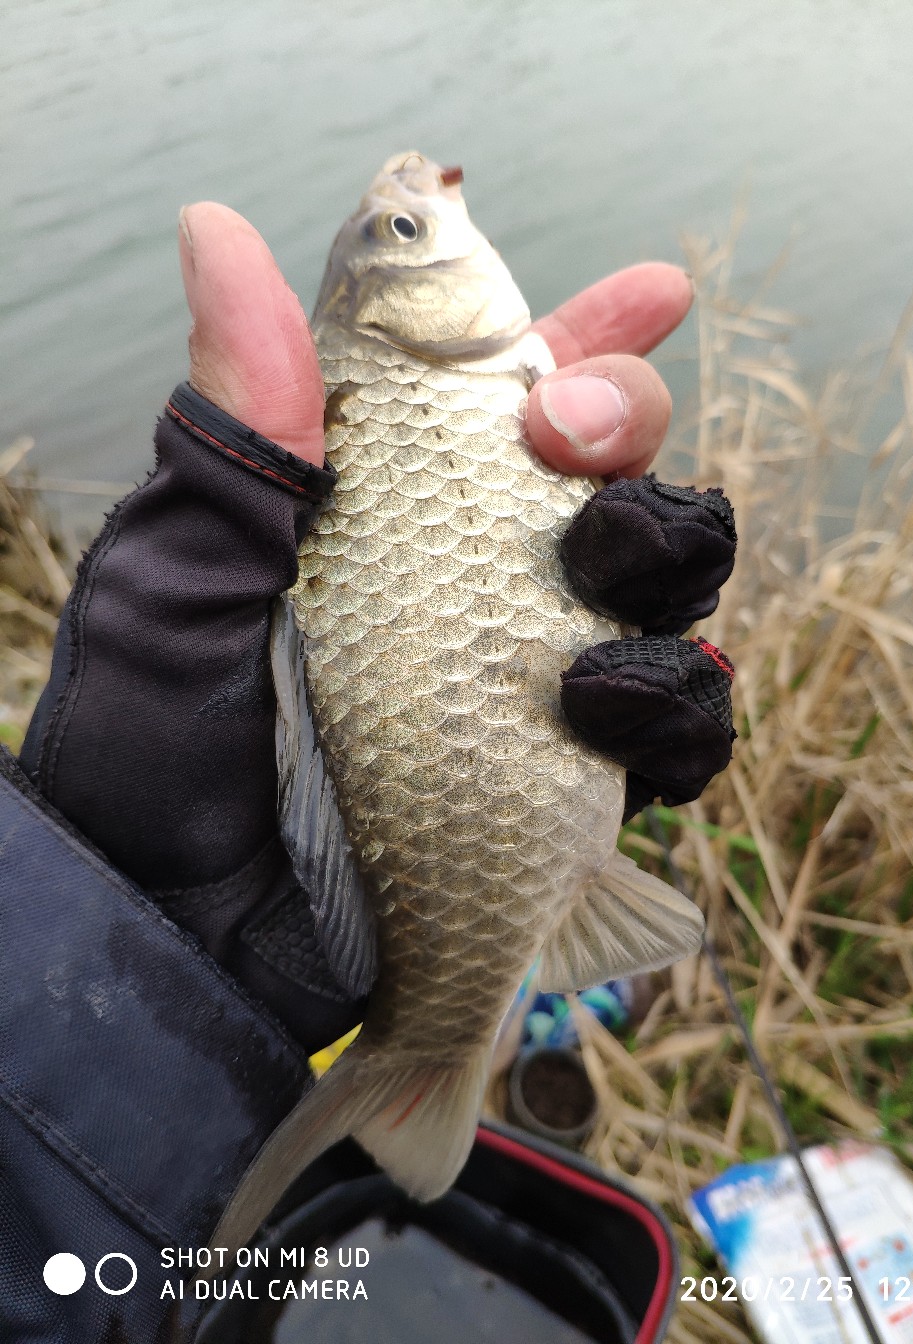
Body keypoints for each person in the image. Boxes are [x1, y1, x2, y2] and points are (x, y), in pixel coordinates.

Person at [0, 201, 737, 1342]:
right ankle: (420, 1041)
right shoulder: (466, 386)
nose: (425, 213)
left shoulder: (482, 383)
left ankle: (414, 1040)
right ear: (386, 313)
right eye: (404, 226)